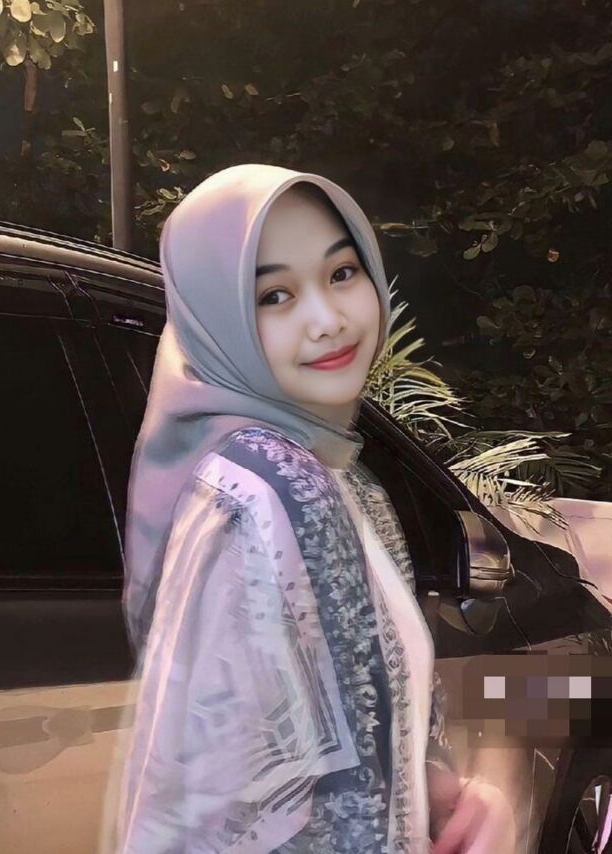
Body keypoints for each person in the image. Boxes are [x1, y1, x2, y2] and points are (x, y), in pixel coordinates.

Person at [110, 164, 515, 853]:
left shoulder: (340, 480)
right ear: (218, 320)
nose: (328, 321)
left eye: (341, 274)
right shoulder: (271, 487)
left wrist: (440, 795)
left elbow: (360, 737)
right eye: (274, 295)